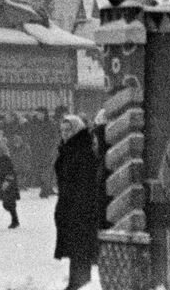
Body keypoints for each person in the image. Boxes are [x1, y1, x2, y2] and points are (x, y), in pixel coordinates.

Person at [52, 115, 102, 290]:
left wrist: (77, 206)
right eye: (63, 130)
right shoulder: (69, 148)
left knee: (80, 245)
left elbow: (85, 182)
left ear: (77, 130)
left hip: (80, 205)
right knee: (76, 245)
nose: (65, 134)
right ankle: (78, 280)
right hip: (70, 203)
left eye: (69, 130)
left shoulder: (82, 150)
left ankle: (79, 281)